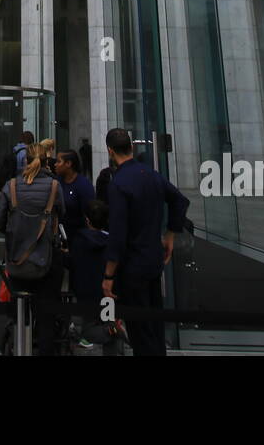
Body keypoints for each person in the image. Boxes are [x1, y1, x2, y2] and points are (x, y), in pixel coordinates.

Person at [102, 127, 191, 357]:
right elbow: (180, 201)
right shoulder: (150, 174)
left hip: (132, 267)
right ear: (131, 147)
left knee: (140, 333)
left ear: (110, 151)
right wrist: (170, 235)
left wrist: (108, 275)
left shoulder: (118, 183)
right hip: (153, 261)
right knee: (154, 327)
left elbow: (118, 235)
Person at [0, 141, 65, 356]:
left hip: (18, 258)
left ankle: (19, 347)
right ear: (46, 161)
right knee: (46, 314)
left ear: (25, 161)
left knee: (19, 310)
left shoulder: (12, 186)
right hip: (47, 258)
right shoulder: (54, 186)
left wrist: (16, 233)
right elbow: (62, 214)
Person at [68, 199, 123, 355]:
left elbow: (73, 263)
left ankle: (113, 331)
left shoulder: (79, 240)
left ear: (87, 220)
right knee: (109, 324)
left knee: (88, 331)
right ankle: (113, 331)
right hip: (109, 292)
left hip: (87, 294)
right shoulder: (112, 241)